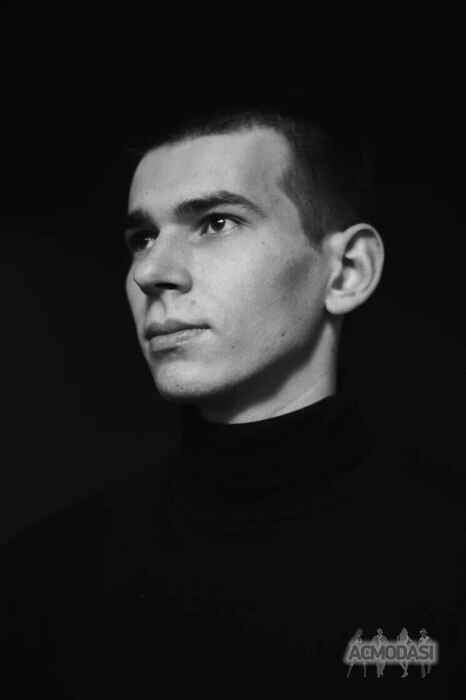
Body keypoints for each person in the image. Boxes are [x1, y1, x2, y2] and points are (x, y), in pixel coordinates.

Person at [3, 103, 466, 698]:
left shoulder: (446, 560)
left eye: (216, 222)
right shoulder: (40, 580)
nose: (151, 271)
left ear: (347, 271)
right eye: (142, 238)